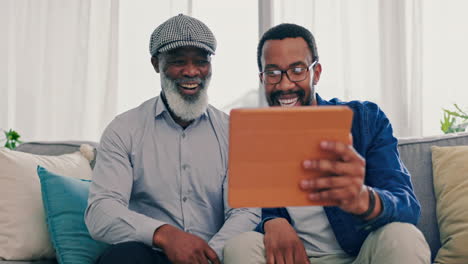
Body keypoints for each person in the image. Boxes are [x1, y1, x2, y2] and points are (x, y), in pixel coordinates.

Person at [223, 23, 431, 264]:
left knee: (403, 235)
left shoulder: (365, 120)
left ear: (316, 73)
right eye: (273, 73)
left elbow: (408, 207)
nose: (285, 85)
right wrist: (271, 221)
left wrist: (364, 199)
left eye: (297, 70)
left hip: (363, 255)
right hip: (297, 258)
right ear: (262, 79)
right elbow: (246, 210)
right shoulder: (254, 137)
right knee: (240, 246)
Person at [85, 14, 260, 264]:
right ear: (156, 64)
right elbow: (101, 213)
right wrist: (165, 235)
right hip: (150, 254)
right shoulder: (124, 129)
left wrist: (207, 255)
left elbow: (245, 211)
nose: (191, 72)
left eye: (201, 62)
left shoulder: (232, 131)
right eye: (179, 62)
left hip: (216, 255)